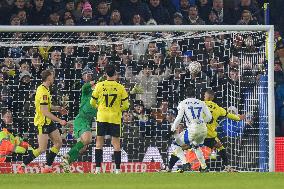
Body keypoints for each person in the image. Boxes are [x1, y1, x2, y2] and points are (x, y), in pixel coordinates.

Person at [17, 70, 68, 174]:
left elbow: (48, 107)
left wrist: (59, 109)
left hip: (48, 122)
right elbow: (45, 112)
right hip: (42, 122)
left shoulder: (46, 89)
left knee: (58, 143)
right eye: (52, 76)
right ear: (48, 78)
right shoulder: (43, 91)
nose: (53, 78)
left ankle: (47, 167)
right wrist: (60, 120)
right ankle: (22, 166)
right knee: (42, 148)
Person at [90, 64, 129, 174]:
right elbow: (126, 105)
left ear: (105, 74)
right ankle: (117, 169)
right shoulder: (120, 87)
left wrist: (100, 107)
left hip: (102, 116)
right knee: (116, 143)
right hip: (115, 118)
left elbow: (92, 102)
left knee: (99, 142)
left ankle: (97, 169)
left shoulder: (99, 85)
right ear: (115, 75)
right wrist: (117, 109)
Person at [203, 89, 245, 172]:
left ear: (207, 96)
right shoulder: (218, 108)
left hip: (197, 132)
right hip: (210, 134)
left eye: (204, 95)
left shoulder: (200, 105)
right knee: (220, 147)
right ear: (213, 97)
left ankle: (171, 166)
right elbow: (229, 115)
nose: (204, 96)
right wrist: (238, 118)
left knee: (185, 145)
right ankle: (227, 166)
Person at [171, 88, 212, 172]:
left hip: (193, 129)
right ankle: (204, 167)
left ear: (185, 95)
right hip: (203, 129)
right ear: (195, 94)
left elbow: (179, 118)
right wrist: (202, 122)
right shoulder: (201, 102)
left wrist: (173, 127)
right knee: (195, 146)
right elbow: (209, 117)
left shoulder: (183, 103)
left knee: (176, 145)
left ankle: (185, 164)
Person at [61, 80, 97, 172]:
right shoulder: (87, 93)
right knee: (88, 139)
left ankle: (66, 163)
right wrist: (91, 82)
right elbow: (85, 87)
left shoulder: (100, 98)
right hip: (81, 120)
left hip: (86, 122)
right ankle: (67, 155)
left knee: (83, 148)